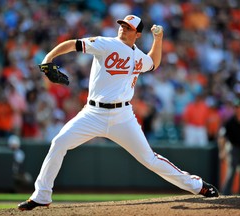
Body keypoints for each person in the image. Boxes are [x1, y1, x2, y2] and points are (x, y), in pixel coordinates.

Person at [18, 15, 219, 211]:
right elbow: (73, 44)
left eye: (129, 27)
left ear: (138, 34)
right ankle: (41, 196)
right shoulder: (106, 44)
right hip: (92, 113)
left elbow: (154, 62)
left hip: (123, 116)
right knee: (59, 143)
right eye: (122, 24)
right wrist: (48, 57)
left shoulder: (138, 57)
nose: (123, 28)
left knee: (149, 159)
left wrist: (158, 39)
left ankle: (198, 185)